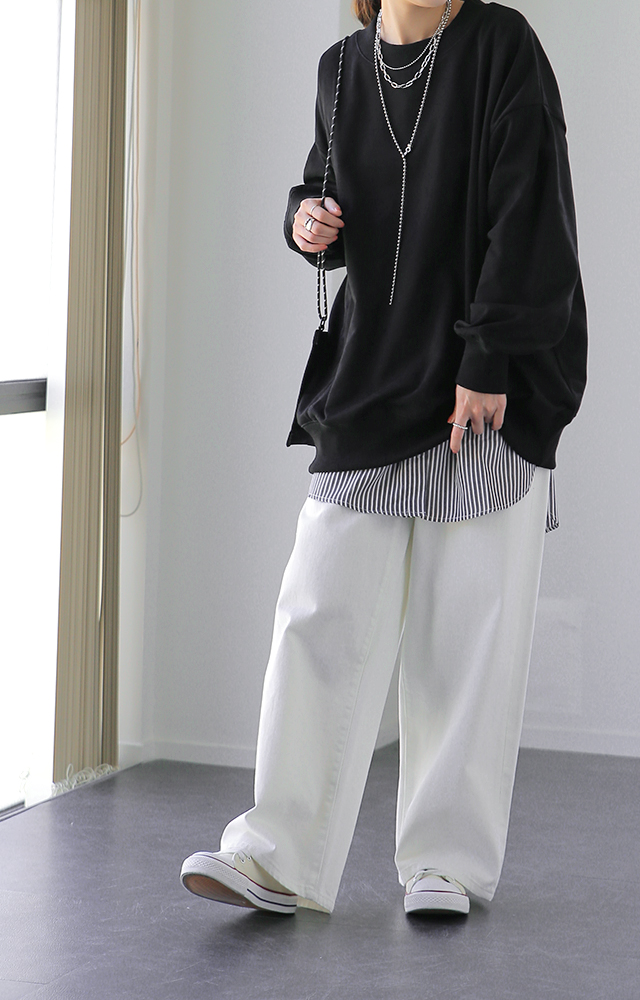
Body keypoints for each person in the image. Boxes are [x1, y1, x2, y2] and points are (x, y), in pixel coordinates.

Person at [180, 0, 587, 917]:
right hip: (371, 378)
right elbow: (322, 187)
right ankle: (277, 856)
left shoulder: (500, 45)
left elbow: (531, 207)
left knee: (465, 636)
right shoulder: (340, 70)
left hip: (480, 389)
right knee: (316, 615)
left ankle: (446, 863)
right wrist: (304, 219)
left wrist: (491, 356)